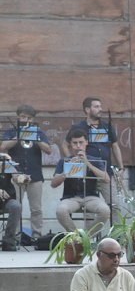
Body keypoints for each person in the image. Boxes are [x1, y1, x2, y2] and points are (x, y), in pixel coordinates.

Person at [0, 104, 50, 239]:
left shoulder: (38, 132)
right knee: (17, 207)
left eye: (29, 117)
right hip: (16, 175)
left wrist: (36, 138)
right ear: (18, 117)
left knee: (36, 209)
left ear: (33, 119)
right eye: (23, 116)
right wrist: (19, 136)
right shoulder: (12, 131)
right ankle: (15, 236)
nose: (26, 120)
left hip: (35, 175)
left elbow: (48, 150)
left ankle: (36, 236)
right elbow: (3, 146)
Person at [52, 129, 110, 237]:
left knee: (105, 210)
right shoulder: (64, 161)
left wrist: (88, 164)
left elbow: (106, 179)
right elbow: (53, 184)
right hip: (71, 197)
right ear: (70, 144)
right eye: (75, 143)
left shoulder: (95, 160)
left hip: (91, 197)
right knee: (61, 210)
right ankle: (76, 236)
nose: (78, 146)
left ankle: (87, 236)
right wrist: (67, 171)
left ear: (86, 142)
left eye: (81, 142)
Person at [63, 96, 123, 202]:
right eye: (96, 107)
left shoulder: (106, 127)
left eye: (100, 106)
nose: (100, 109)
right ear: (87, 110)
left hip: (104, 172)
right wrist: (72, 161)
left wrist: (121, 168)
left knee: (114, 205)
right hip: (86, 173)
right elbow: (65, 145)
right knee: (89, 209)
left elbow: (115, 146)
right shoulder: (78, 127)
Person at [0, 153, 22, 251]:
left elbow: (17, 179)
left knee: (16, 206)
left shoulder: (4, 161)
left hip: (7, 200)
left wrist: (10, 163)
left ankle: (8, 241)